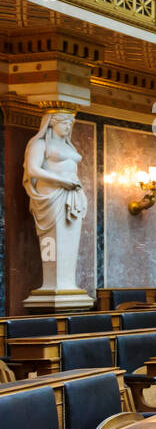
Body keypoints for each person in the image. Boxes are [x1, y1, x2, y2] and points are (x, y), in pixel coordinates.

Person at [24, 109, 86, 293]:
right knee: (53, 241)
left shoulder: (70, 147)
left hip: (72, 196)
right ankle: (53, 286)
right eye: (64, 123)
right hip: (51, 196)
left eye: (70, 123)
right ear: (52, 122)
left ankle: (69, 285)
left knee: (70, 242)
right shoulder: (39, 144)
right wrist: (61, 181)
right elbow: (33, 170)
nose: (68, 127)